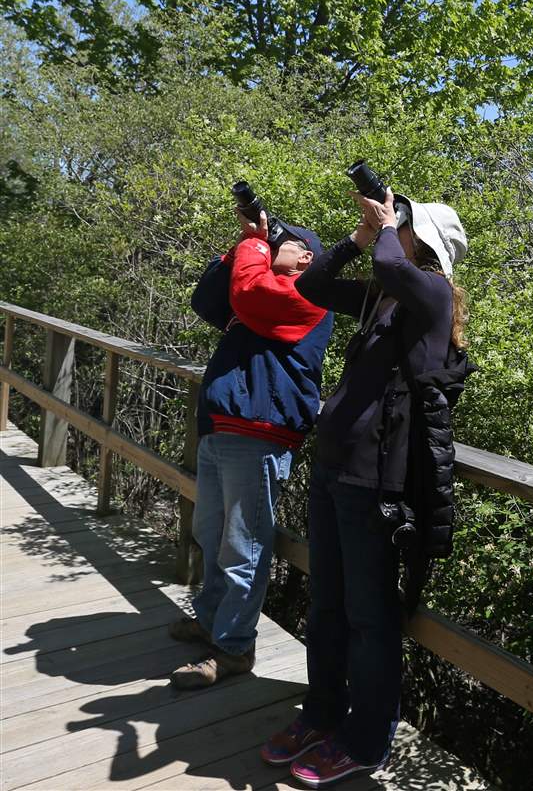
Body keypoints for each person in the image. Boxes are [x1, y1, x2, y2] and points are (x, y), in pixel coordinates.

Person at [260, 185, 470, 789]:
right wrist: (355, 238)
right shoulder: (382, 297)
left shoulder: (431, 294)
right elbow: (313, 286)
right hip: (332, 470)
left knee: (369, 618)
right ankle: (321, 714)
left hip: (375, 482)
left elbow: (389, 263)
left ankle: (365, 736)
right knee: (326, 605)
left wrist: (381, 230)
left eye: (402, 222)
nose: (390, 227)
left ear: (422, 240)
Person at [169, 209, 333, 688]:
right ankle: (211, 618)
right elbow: (206, 301)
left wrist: (255, 248)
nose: (272, 242)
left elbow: (249, 290)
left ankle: (233, 647)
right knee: (211, 532)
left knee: (243, 545)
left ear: (306, 257)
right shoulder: (255, 294)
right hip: (224, 427)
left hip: (262, 432)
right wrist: (236, 249)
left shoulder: (305, 297)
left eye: (286, 240)